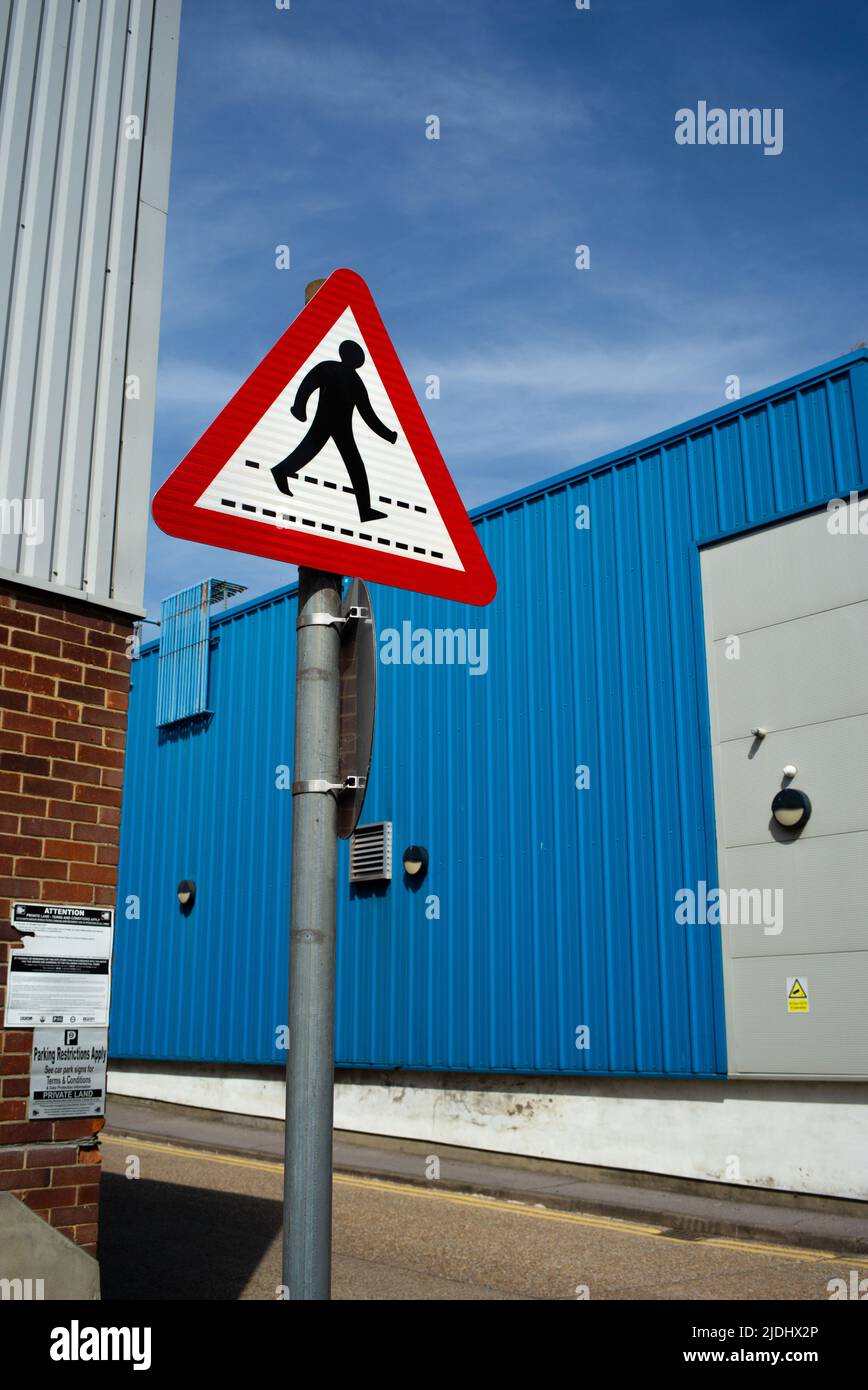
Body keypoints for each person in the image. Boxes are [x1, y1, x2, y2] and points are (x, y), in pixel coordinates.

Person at [264, 340, 397, 523]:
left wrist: (388, 435)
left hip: (340, 426)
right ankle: (280, 471)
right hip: (326, 421)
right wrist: (299, 408)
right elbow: (308, 385)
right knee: (321, 455)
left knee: (348, 463)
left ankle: (365, 510)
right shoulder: (332, 369)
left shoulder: (352, 379)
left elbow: (368, 415)